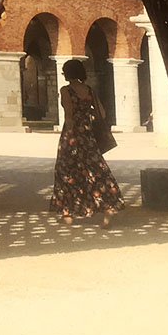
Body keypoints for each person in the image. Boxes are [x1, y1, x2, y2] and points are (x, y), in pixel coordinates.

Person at [50, 58, 123, 225]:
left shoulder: (66, 90)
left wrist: (70, 137)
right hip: (88, 136)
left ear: (68, 73)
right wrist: (87, 111)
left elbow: (69, 115)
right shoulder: (89, 90)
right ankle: (107, 206)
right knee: (95, 171)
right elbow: (102, 113)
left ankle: (67, 214)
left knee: (67, 171)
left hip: (73, 135)